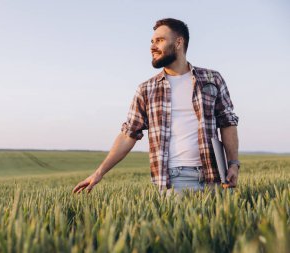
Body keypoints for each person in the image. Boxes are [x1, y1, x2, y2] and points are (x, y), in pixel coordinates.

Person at [72, 18, 239, 196]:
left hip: (217, 176)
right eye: (152, 41)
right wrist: (99, 173)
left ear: (178, 42)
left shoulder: (212, 79)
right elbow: (128, 134)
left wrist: (233, 164)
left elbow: (227, 123)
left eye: (159, 40)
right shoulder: (147, 89)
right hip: (175, 180)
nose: (152, 46)